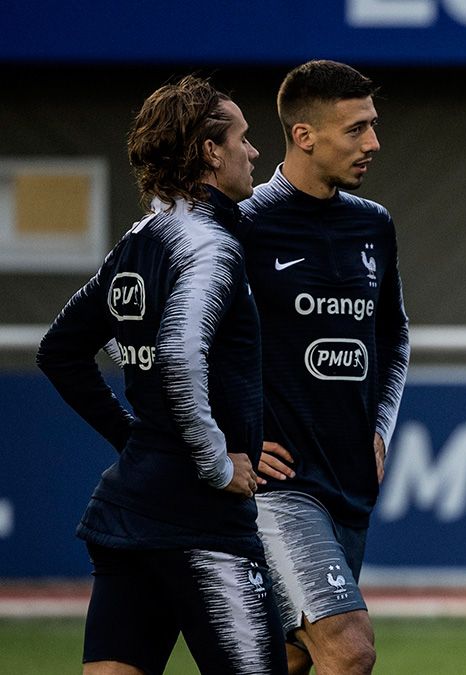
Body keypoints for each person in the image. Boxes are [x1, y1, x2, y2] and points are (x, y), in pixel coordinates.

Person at [36, 75, 286, 674]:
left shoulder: (138, 240)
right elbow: (179, 356)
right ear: (209, 150)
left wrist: (135, 441)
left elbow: (59, 350)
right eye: (243, 139)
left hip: (129, 515)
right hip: (198, 522)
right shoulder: (209, 247)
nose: (253, 152)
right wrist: (217, 463)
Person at [237, 60, 410, 674]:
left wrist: (380, 429)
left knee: (287, 659)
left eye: (373, 125)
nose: (373, 143)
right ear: (304, 136)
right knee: (348, 647)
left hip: (350, 479)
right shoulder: (244, 225)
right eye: (356, 129)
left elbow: (394, 335)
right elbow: (185, 345)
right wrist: (230, 441)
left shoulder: (373, 224)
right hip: (281, 487)